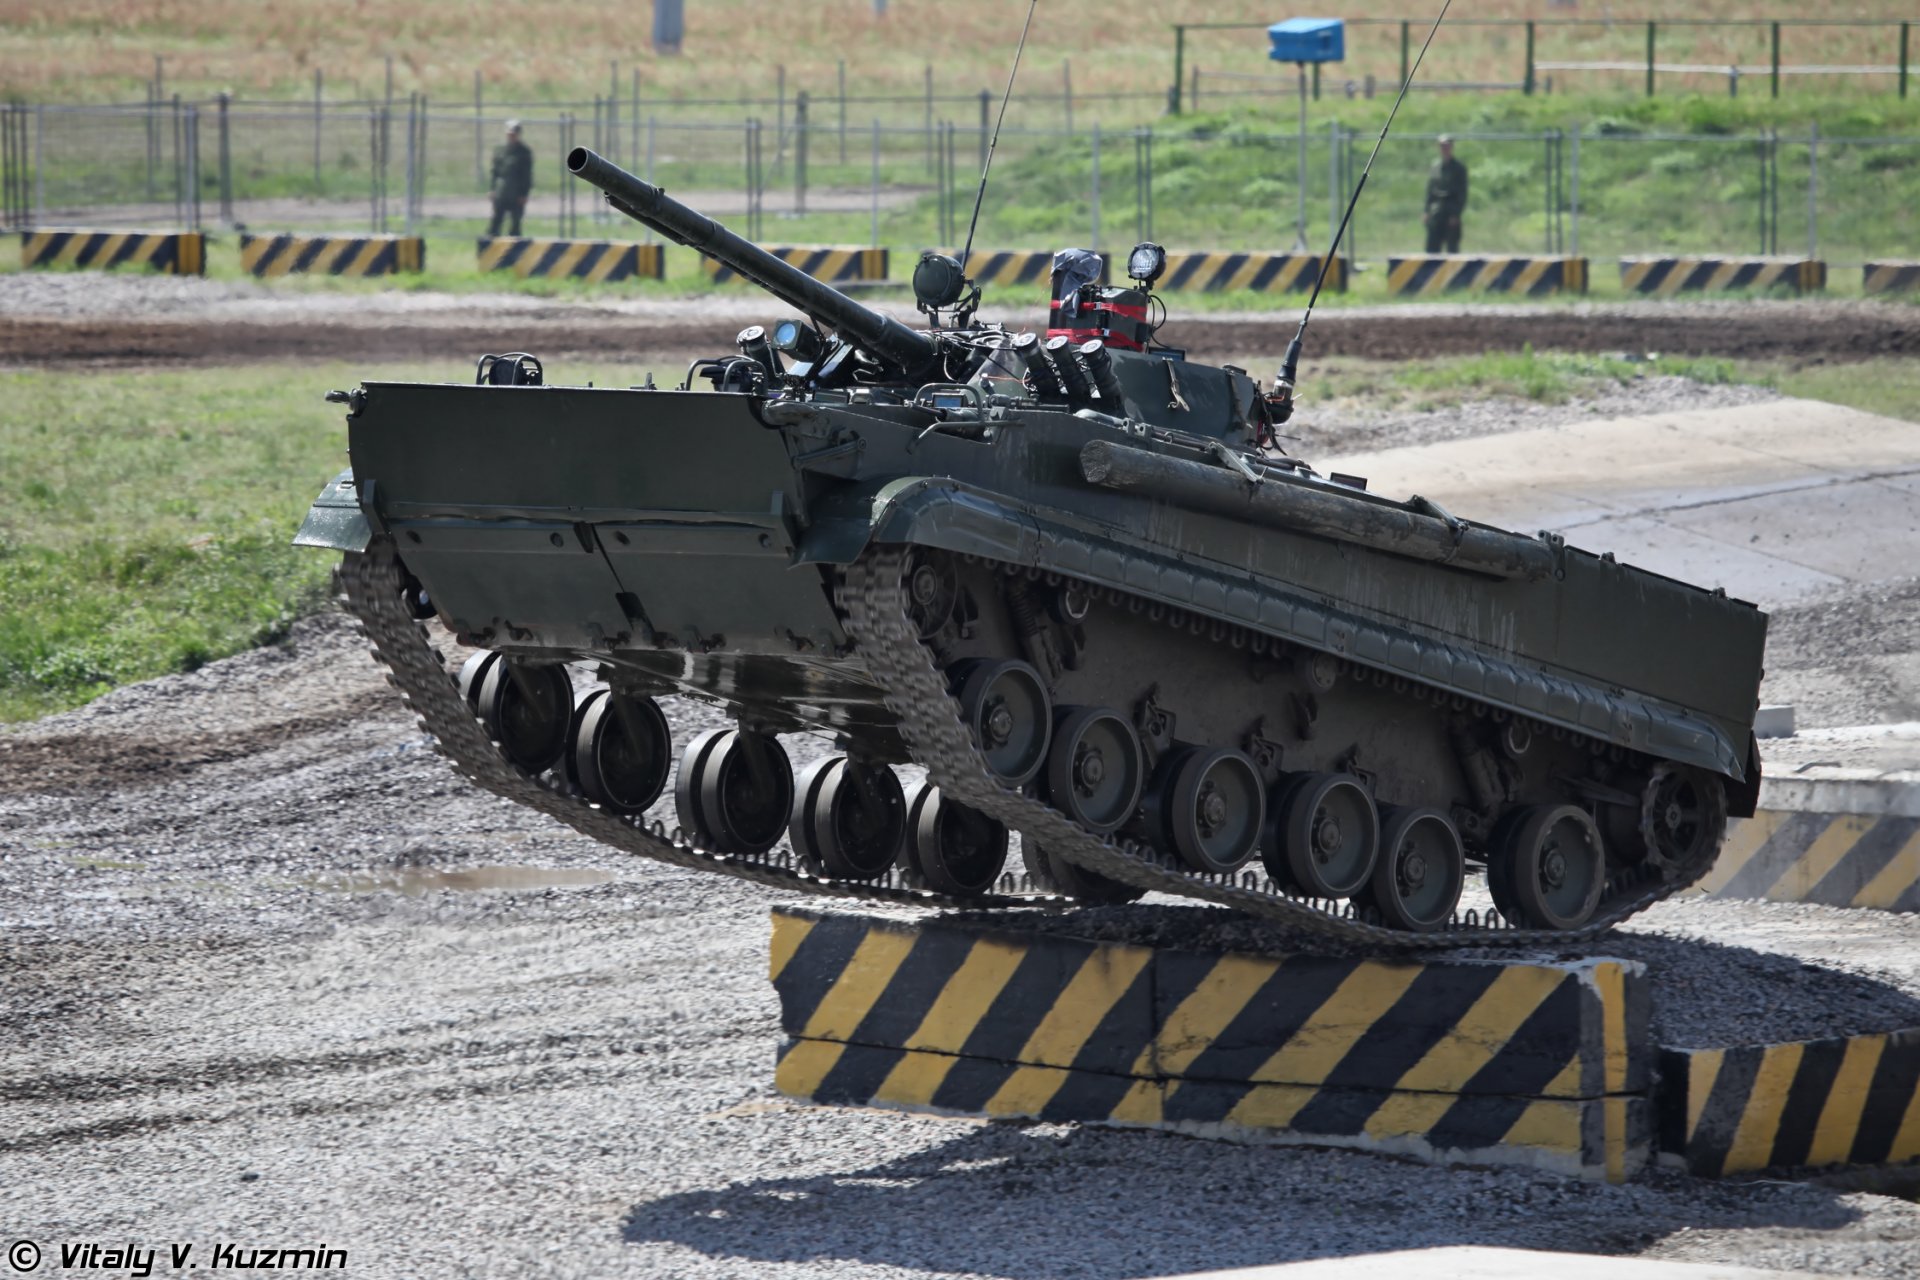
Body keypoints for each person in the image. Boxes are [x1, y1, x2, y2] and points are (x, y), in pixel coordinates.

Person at [488, 120, 533, 238]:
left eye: (514, 134)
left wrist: (524, 194)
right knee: (496, 222)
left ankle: (515, 253)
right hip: (501, 192)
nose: (511, 136)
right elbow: (495, 172)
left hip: (516, 193)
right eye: (509, 134)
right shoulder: (500, 150)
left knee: (515, 226)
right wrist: (492, 189)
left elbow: (527, 175)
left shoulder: (524, 152)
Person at [1423, 134, 1468, 254]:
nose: (1445, 149)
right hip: (1436, 211)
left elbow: (1462, 193)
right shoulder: (1435, 167)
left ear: (1451, 147)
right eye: (1442, 146)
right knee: (1432, 248)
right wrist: (1426, 211)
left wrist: (1456, 214)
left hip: (1450, 209)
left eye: (1447, 146)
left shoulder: (1459, 168)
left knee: (1452, 249)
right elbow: (1430, 191)